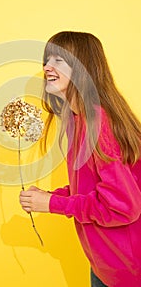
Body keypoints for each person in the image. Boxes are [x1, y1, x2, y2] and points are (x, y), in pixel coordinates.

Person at [19, 31, 141, 287]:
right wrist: (53, 196)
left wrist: (53, 204)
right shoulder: (78, 120)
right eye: (47, 59)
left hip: (128, 271)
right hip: (105, 265)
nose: (47, 67)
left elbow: (122, 207)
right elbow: (95, 190)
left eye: (59, 61)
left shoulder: (99, 123)